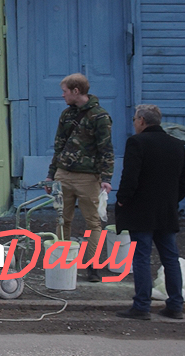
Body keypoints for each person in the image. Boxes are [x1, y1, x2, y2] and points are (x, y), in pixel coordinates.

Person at [114, 104, 185, 320]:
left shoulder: (137, 142)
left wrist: (122, 200)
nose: (134, 124)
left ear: (141, 121)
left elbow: (130, 176)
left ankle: (141, 306)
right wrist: (171, 200)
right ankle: (176, 305)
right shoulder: (177, 144)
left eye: (134, 120)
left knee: (141, 258)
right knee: (170, 258)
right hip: (167, 211)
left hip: (141, 212)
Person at [43, 73, 114, 283]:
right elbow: (59, 146)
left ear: (76, 91)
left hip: (88, 177)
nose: (62, 95)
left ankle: (92, 266)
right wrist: (51, 175)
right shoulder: (66, 115)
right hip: (63, 174)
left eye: (65, 91)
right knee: (62, 219)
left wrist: (106, 177)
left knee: (93, 223)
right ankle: (63, 263)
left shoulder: (100, 117)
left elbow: (106, 149)